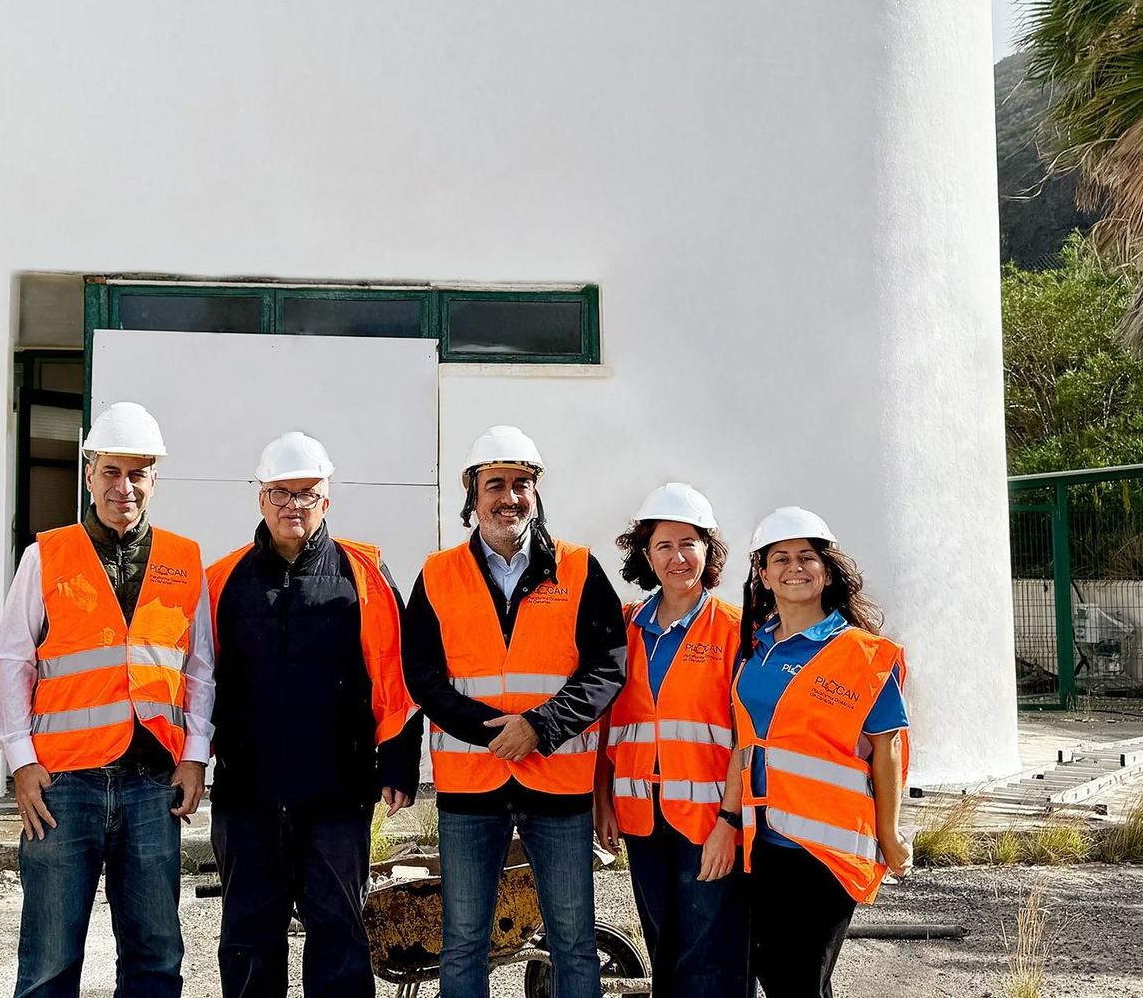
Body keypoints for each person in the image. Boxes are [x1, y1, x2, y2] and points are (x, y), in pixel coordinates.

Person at [0, 401, 215, 998]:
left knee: (155, 956)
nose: (124, 486)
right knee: (49, 960)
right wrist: (20, 760)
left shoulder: (183, 559)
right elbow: (12, 662)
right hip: (65, 785)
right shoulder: (46, 556)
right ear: (89, 473)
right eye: (111, 471)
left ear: (154, 478)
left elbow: (199, 668)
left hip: (152, 783)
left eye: (137, 472)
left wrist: (195, 755)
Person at [403, 425, 626, 998]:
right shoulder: (437, 574)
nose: (509, 496)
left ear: (537, 491)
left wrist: (539, 727)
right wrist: (491, 733)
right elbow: (422, 676)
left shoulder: (580, 568)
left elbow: (607, 667)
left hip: (557, 785)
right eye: (494, 484)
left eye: (522, 483)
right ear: (471, 495)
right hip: (470, 788)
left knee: (573, 941)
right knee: (464, 943)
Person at [204, 432, 422, 998]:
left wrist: (398, 761)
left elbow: (394, 670)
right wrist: (187, 761)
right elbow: (197, 682)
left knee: (338, 931)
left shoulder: (365, 572)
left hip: (335, 791)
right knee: (249, 935)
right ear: (260, 497)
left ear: (326, 499)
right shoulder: (221, 579)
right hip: (246, 793)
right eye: (280, 492)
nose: (292, 505)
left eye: (306, 493)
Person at [725, 506, 911, 998]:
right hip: (763, 839)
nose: (795, 567)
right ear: (762, 575)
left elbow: (886, 750)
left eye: (806, 557)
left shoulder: (861, 654)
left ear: (826, 571)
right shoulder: (755, 648)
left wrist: (890, 836)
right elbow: (745, 742)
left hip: (827, 847)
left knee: (799, 979)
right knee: (777, 971)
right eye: (780, 558)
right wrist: (727, 821)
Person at [592, 483, 745, 998]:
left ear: (709, 548)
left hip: (708, 820)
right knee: (664, 947)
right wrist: (602, 799)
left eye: (689, 543)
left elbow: (747, 739)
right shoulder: (626, 626)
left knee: (709, 952)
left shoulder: (734, 631)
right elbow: (608, 720)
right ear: (646, 554)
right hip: (640, 815)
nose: (677, 557)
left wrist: (730, 821)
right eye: (663, 545)